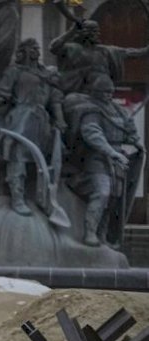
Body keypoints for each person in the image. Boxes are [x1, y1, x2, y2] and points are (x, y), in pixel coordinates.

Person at [0, 39, 66, 216]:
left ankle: (43, 199)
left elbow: (55, 98)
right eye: (33, 48)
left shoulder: (47, 74)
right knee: (18, 157)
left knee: (46, 162)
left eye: (38, 48)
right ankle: (17, 198)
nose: (37, 51)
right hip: (21, 119)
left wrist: (60, 119)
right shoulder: (14, 72)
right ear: (24, 52)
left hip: (42, 121)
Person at [63, 75, 145, 246]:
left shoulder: (119, 110)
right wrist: (111, 152)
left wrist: (136, 141)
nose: (108, 95)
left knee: (114, 199)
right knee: (102, 193)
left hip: (118, 160)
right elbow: (92, 133)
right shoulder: (90, 110)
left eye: (110, 92)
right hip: (96, 158)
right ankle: (90, 233)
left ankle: (103, 235)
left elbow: (129, 129)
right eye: (104, 92)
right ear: (95, 92)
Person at [50, 19, 149, 95]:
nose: (96, 34)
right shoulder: (71, 48)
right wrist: (71, 31)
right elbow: (54, 47)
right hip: (77, 93)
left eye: (96, 31)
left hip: (102, 94)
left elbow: (135, 52)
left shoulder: (106, 50)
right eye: (91, 31)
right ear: (81, 33)